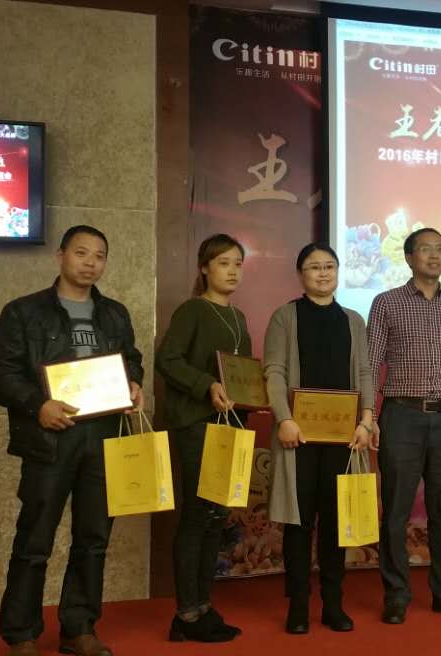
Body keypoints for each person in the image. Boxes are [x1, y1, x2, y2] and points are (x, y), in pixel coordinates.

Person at [0, 224, 144, 656]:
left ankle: (79, 627)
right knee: (35, 539)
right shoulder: (23, 312)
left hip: (104, 435)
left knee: (94, 539)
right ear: (60, 256)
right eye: (81, 253)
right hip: (50, 438)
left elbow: (131, 360)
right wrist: (38, 405)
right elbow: (1, 374)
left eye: (99, 256)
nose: (90, 263)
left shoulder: (115, 314)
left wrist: (134, 383)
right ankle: (21, 634)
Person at [368, 227, 441, 625]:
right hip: (402, 415)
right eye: (425, 249)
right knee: (396, 510)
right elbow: (369, 363)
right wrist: (368, 415)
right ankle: (396, 594)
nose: (434, 256)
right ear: (408, 257)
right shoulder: (386, 303)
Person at [264, 243, 377, 634]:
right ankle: (298, 607)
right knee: (298, 524)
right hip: (298, 438)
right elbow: (274, 371)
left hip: (344, 439)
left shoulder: (353, 319)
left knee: (336, 521)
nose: (323, 273)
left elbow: (364, 372)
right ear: (301, 275)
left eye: (330, 266)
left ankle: (333, 605)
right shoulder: (285, 317)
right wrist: (284, 419)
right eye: (314, 267)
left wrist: (366, 420)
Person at [156, 233, 250, 642]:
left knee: (216, 517)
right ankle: (186, 614)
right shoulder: (192, 310)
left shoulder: (239, 317)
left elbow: (242, 376)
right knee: (197, 515)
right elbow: (167, 360)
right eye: (224, 263)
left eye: (238, 264)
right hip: (196, 424)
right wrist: (206, 385)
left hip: (230, 427)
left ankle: (204, 606)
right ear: (204, 268)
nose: (232, 271)